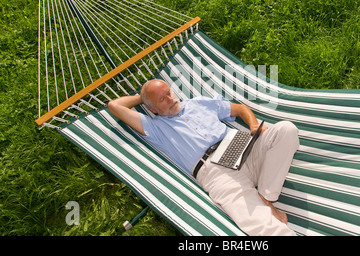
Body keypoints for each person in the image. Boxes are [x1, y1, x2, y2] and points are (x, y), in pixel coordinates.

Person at [108, 79, 299, 236]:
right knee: (257, 222)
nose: (170, 99)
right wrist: (142, 98)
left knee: (286, 130)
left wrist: (253, 125)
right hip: (215, 172)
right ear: (153, 109)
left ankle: (266, 197)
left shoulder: (198, 103)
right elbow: (114, 105)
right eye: (162, 99)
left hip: (240, 146)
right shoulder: (155, 128)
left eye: (169, 92)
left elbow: (240, 109)